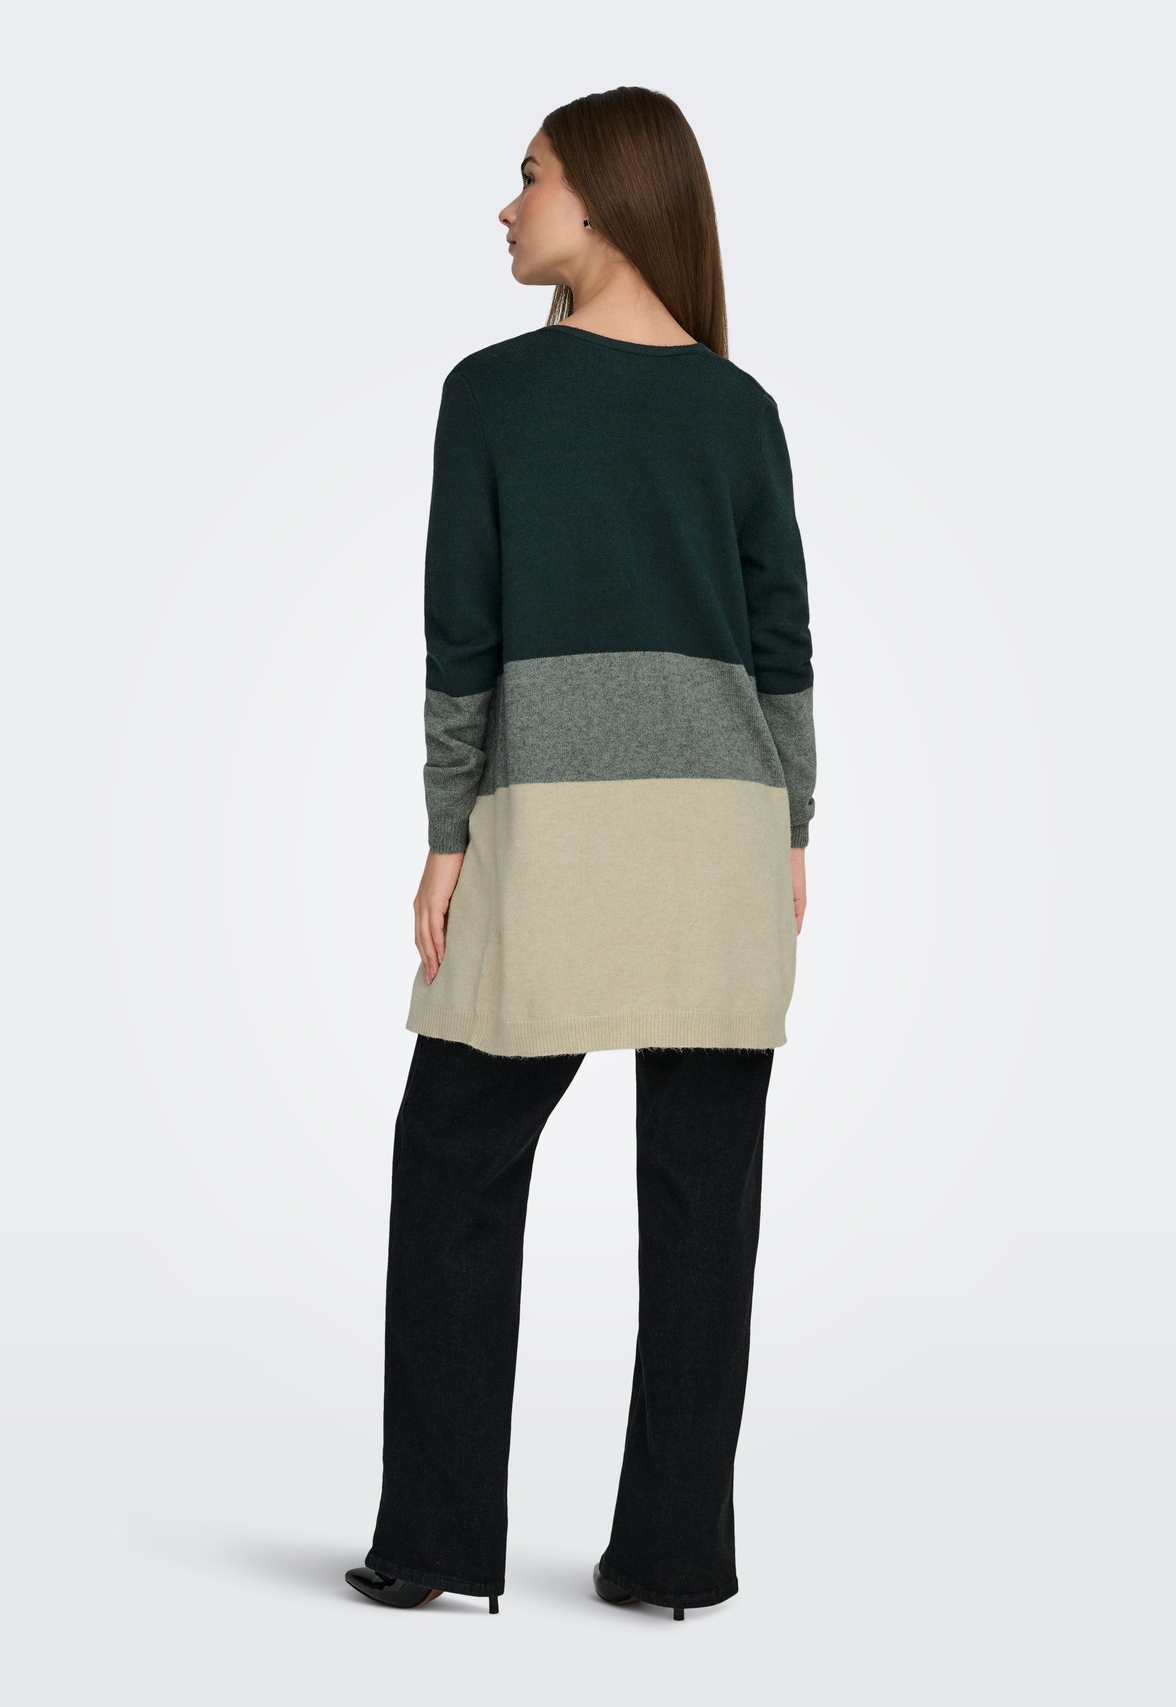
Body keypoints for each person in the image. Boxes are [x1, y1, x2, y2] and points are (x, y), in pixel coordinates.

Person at [345, 85, 816, 1621]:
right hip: (722, 834)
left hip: (550, 827)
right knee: (702, 1200)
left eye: (532, 176)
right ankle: (675, 1558)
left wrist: (446, 833)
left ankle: (433, 1545)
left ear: (606, 198)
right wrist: (790, 827)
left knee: (455, 1158)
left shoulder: (494, 393)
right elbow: (782, 651)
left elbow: (461, 638)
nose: (508, 204)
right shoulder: (740, 409)